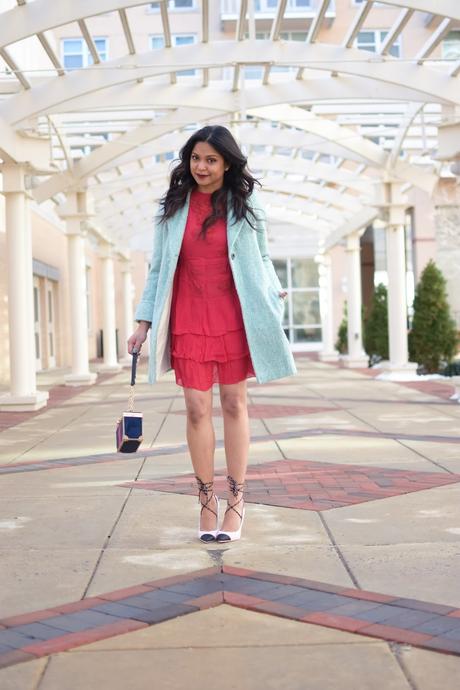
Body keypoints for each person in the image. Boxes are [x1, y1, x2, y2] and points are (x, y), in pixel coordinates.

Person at [128, 125, 296, 543]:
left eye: (211, 160)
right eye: (196, 158)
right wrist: (143, 322)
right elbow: (158, 268)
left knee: (235, 404)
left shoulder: (245, 202)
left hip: (234, 313)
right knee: (197, 409)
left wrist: (273, 297)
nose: (201, 166)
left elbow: (260, 256)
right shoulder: (173, 206)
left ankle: (237, 500)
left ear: (226, 164)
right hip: (188, 313)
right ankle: (206, 500)